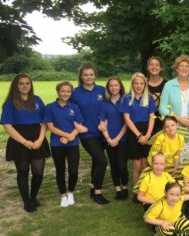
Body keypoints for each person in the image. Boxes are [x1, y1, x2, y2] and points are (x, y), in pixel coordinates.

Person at [0, 73, 50, 212]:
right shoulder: (10, 103)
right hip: (19, 141)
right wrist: (25, 142)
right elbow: (7, 126)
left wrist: (40, 139)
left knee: (38, 173)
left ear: (31, 85)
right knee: (23, 172)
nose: (24, 86)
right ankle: (27, 202)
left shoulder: (37, 100)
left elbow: (45, 121)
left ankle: (33, 197)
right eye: (21, 83)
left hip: (37, 139)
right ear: (16, 85)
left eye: (27, 83)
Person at [71, 63, 110, 204]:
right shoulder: (75, 93)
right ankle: (98, 193)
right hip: (87, 134)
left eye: (91, 74)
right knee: (102, 160)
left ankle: (93, 188)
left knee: (96, 161)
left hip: (102, 133)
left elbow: (108, 108)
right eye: (86, 74)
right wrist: (76, 126)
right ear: (81, 76)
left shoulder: (102, 90)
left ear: (95, 75)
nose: (89, 77)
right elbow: (69, 111)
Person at [159, 54, 189, 161]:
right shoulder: (168, 85)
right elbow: (162, 108)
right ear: (176, 68)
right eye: (181, 66)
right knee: (175, 163)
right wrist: (178, 118)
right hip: (173, 132)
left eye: (187, 66)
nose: (184, 68)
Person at [44, 81, 86, 207]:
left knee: (73, 171)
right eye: (63, 91)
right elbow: (50, 127)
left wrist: (70, 137)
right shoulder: (50, 107)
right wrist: (67, 136)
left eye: (68, 91)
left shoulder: (74, 107)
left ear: (71, 93)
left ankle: (71, 192)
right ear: (58, 92)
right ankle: (63, 195)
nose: (65, 93)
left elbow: (80, 124)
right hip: (57, 144)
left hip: (72, 144)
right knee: (60, 170)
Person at [121, 72, 156, 188]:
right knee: (137, 165)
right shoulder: (126, 98)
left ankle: (145, 189)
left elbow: (152, 117)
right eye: (136, 83)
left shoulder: (149, 98)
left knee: (145, 164)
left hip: (147, 130)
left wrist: (147, 136)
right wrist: (139, 136)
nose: (139, 86)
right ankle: (136, 191)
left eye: (141, 83)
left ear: (145, 85)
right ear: (132, 84)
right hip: (133, 131)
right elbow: (127, 119)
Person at [98, 76, 128, 200]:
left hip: (122, 139)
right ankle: (118, 189)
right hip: (108, 140)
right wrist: (109, 139)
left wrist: (117, 139)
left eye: (116, 85)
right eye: (111, 85)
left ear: (120, 86)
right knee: (114, 165)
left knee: (121, 165)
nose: (114, 87)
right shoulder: (105, 104)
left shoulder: (125, 101)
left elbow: (127, 122)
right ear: (108, 88)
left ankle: (125, 188)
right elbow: (102, 123)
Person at [146, 56, 167, 133]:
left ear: (161, 68)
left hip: (163, 123)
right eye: (151, 64)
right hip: (145, 123)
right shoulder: (142, 84)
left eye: (157, 65)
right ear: (148, 67)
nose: (154, 67)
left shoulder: (167, 84)